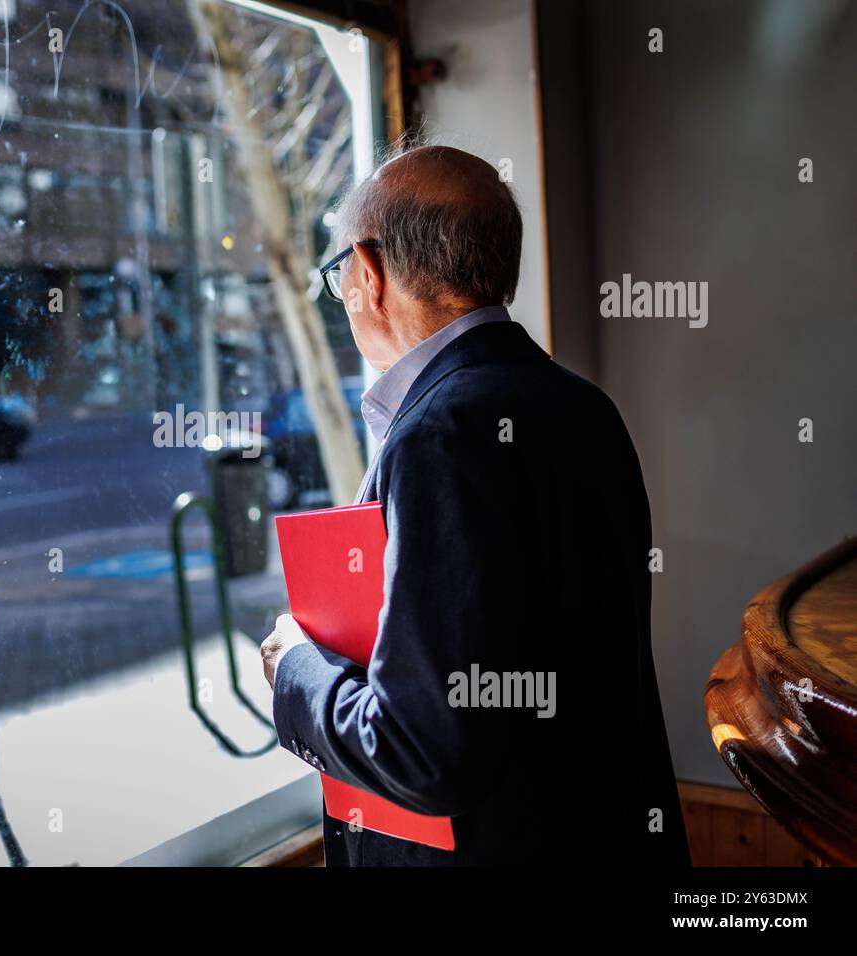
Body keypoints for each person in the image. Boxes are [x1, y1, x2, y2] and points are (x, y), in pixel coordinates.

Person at [261, 145, 689, 867]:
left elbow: (427, 752)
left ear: (368, 273)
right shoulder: (584, 406)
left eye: (338, 277)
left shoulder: (439, 435)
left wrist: (296, 669)